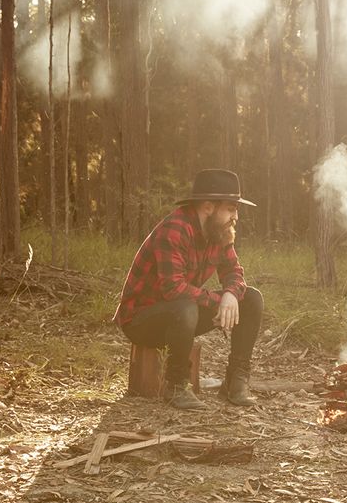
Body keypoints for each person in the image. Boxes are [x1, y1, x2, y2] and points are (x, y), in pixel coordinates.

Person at [113, 169, 264, 410]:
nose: (236, 215)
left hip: (180, 316)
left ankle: (235, 381)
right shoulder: (175, 229)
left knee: (252, 299)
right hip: (141, 320)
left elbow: (235, 272)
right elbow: (173, 289)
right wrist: (218, 300)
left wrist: (230, 295)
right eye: (230, 208)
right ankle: (176, 386)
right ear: (207, 207)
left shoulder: (219, 232)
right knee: (185, 306)